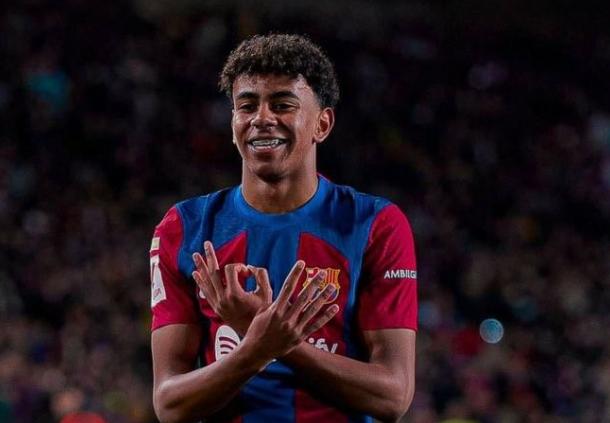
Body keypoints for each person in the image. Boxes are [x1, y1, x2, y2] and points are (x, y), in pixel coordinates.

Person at [150, 33, 418, 423]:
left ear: (322, 124)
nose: (261, 118)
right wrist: (256, 348)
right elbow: (169, 405)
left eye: (282, 104)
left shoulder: (375, 224)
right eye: (247, 106)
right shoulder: (183, 227)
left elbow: (392, 396)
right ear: (233, 124)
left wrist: (272, 340)